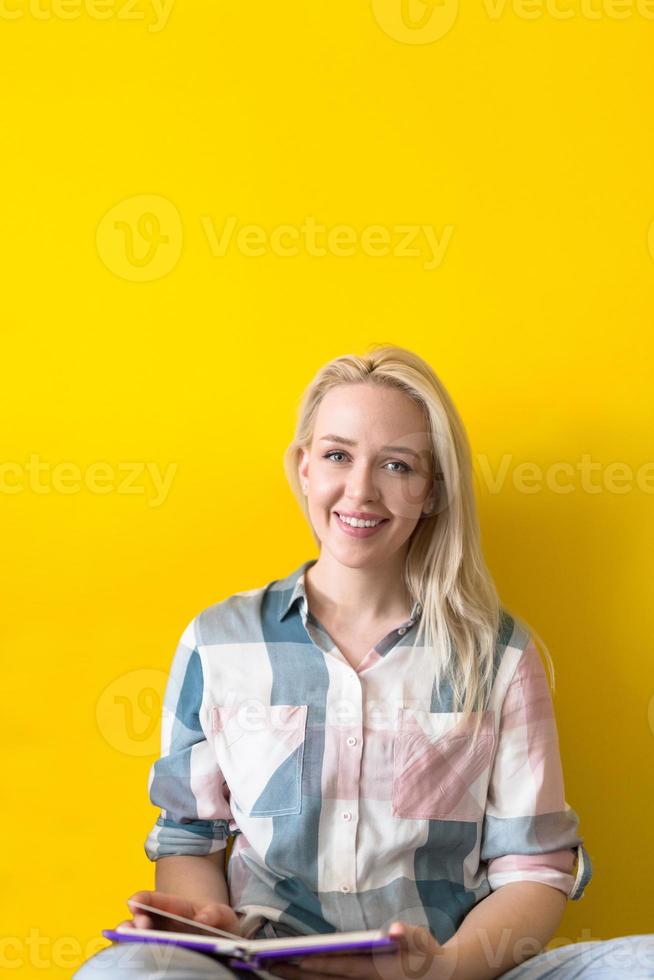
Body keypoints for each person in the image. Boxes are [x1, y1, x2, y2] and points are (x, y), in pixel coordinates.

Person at [75, 345, 654, 979]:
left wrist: (440, 969)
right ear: (303, 468)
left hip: (450, 973)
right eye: (337, 455)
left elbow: (534, 869)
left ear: (431, 491)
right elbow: (191, 837)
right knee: (120, 972)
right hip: (262, 973)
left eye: (397, 465)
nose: (361, 490)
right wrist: (208, 927)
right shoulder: (218, 641)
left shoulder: (500, 655)